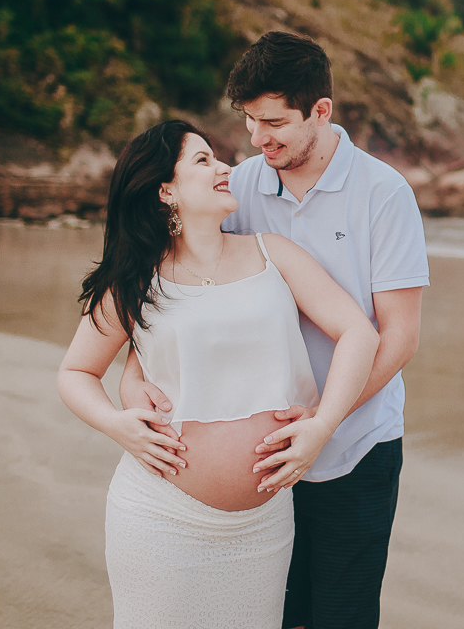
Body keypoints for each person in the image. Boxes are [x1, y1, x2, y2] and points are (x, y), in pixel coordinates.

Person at [122, 32, 429, 628]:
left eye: (274, 123)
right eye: (249, 121)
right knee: (270, 615)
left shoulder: (384, 194)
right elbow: (174, 294)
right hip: (261, 469)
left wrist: (320, 421)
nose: (258, 140)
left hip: (355, 446)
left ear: (321, 111)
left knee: (342, 615)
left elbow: (397, 337)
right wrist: (136, 384)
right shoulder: (238, 188)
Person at [57, 119, 379, 628]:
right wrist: (117, 425)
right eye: (203, 160)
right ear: (166, 190)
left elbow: (360, 334)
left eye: (218, 157)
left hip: (264, 528)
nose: (225, 167)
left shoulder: (274, 253)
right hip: (162, 518)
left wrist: (322, 424)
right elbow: (76, 371)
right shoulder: (135, 280)